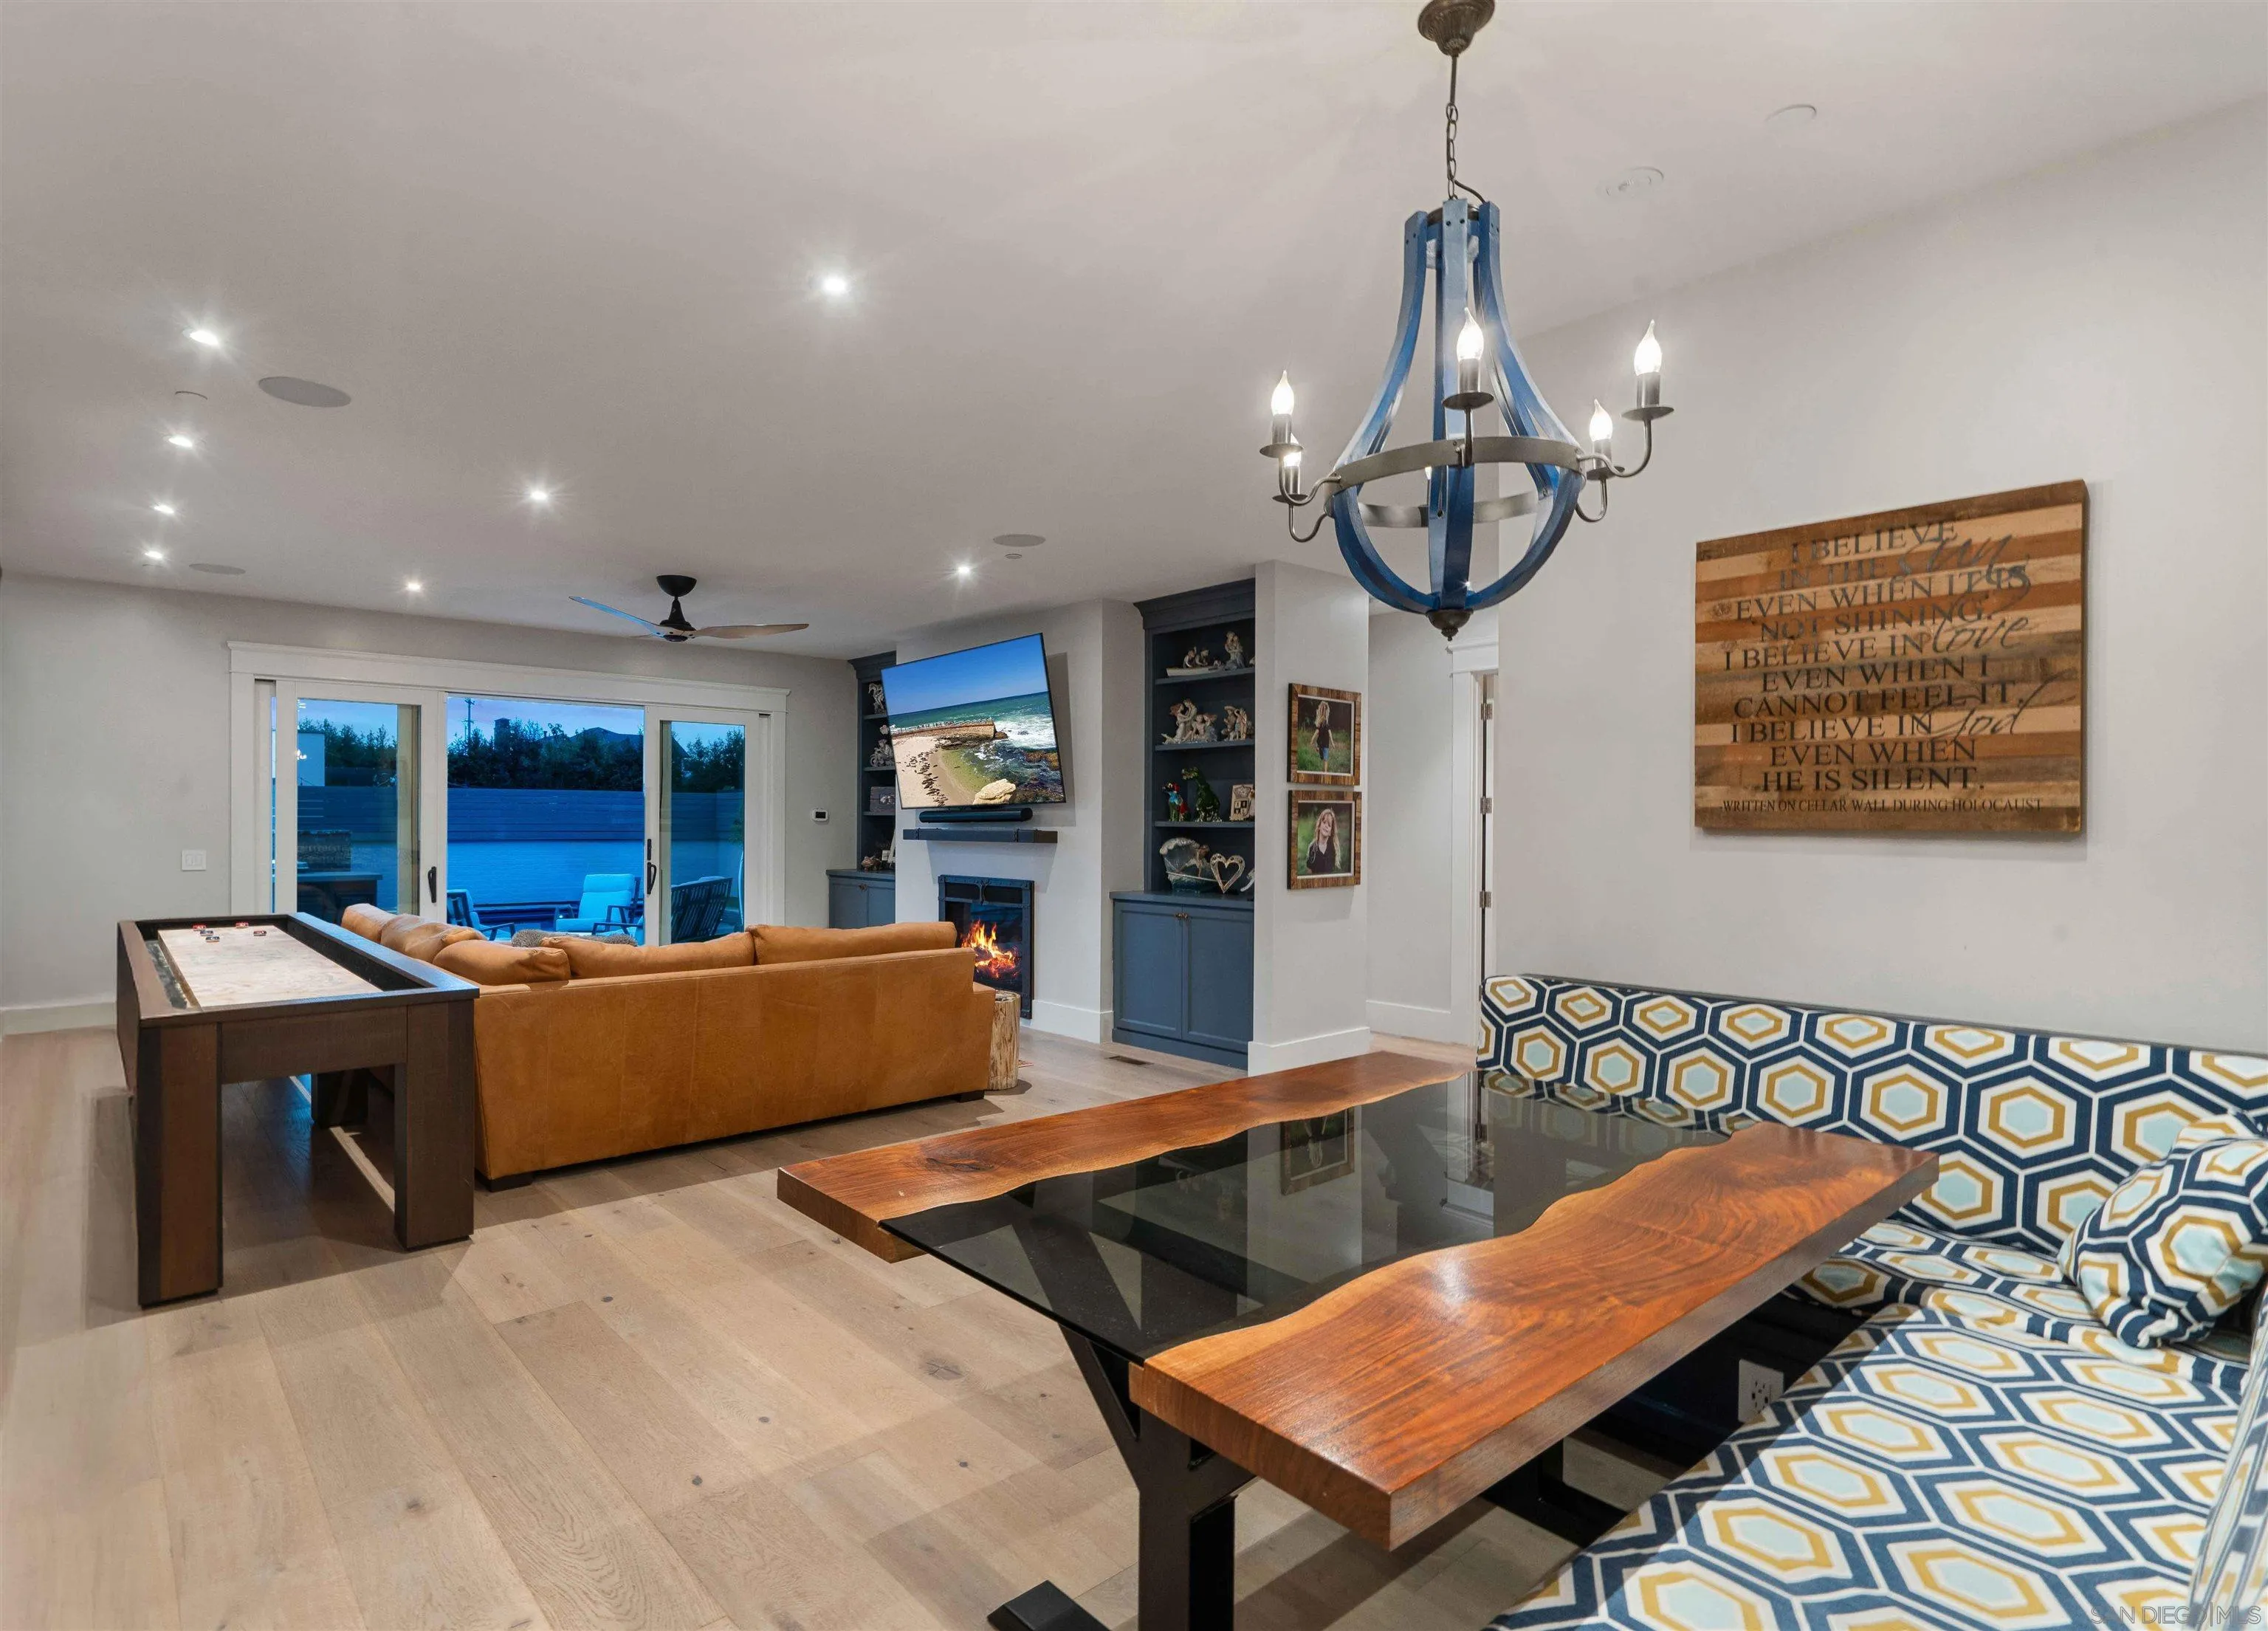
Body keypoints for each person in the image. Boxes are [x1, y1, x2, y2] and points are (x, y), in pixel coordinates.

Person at [1304, 805, 1341, 876]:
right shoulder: (1312, 848)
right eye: (1324, 822)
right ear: (1319, 826)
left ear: (1331, 832)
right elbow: (1309, 872)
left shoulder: (1333, 848)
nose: (1326, 826)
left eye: (1329, 825)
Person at [1310, 700, 1334, 770]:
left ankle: (1325, 773)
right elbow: (1317, 732)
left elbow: (1329, 732)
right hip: (1321, 743)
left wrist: (1332, 742)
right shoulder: (1320, 722)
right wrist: (1312, 740)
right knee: (1324, 758)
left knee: (1325, 759)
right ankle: (1318, 748)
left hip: (1325, 744)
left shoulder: (1326, 723)